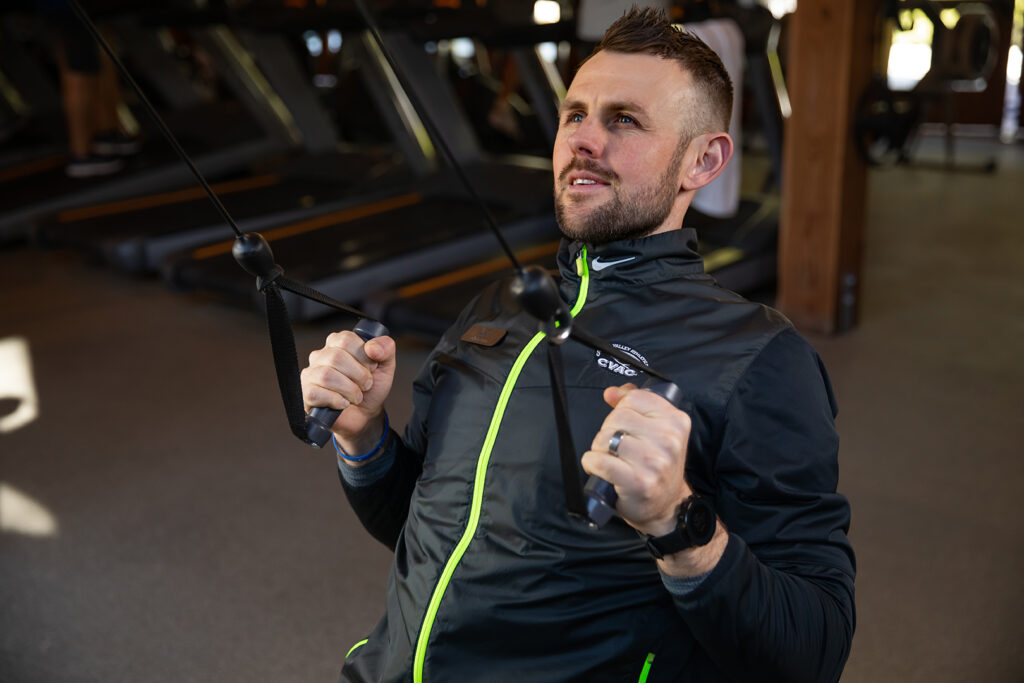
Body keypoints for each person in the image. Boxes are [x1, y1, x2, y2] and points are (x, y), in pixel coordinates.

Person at [302, 8, 855, 682]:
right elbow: (426, 530)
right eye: (575, 115)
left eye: (624, 120)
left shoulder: (759, 356)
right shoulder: (498, 304)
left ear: (703, 161)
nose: (584, 140)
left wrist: (681, 527)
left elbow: (814, 648)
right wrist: (363, 440)